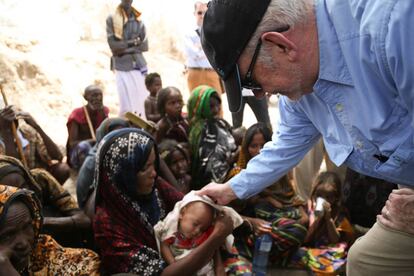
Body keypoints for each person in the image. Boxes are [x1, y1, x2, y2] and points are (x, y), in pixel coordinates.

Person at [198, 0, 414, 274]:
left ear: (281, 45)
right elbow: (285, 145)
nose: (262, 94)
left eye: (251, 82)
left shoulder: (393, 23)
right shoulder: (300, 88)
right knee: (367, 261)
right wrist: (229, 190)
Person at [93, 128, 241, 275]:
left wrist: (245, 221)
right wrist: (217, 237)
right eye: (145, 168)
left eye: (154, 164)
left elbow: (191, 209)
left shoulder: (152, 186)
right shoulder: (107, 225)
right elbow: (163, 274)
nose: (154, 173)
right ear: (123, 174)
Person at [227, 123, 308, 266]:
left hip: (274, 225)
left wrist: (301, 213)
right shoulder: (238, 175)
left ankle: (266, 250)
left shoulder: (277, 172)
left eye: (263, 146)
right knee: (292, 228)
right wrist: (252, 221)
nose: (259, 151)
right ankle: (258, 248)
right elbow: (225, 212)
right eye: (253, 146)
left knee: (297, 227)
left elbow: (291, 197)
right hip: (246, 229)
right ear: (246, 149)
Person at [0, 184, 100, 275]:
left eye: (27, 226)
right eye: (7, 235)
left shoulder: (43, 251)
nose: (24, 243)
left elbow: (86, 265)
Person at [0, 155, 91, 248]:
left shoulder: (41, 179)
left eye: (23, 186)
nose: (22, 195)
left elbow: (83, 220)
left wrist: (41, 222)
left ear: (27, 178)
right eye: (11, 193)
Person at [154, 191, 247, 276]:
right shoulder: (172, 232)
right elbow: (164, 246)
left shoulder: (203, 236)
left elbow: (212, 249)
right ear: (182, 213)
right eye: (195, 224)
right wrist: (173, 263)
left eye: (203, 229)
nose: (197, 231)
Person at [290, 172, 354, 275]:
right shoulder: (307, 208)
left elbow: (335, 239)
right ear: (313, 193)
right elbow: (306, 239)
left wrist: (328, 219)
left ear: (336, 198)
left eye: (329, 197)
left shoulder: (339, 212)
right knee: (298, 253)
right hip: (312, 248)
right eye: (319, 195)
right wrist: (318, 219)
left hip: (330, 248)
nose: (324, 199)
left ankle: (321, 265)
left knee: (339, 253)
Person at [0, 106, 70, 184]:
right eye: (4, 118)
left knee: (62, 169)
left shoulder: (26, 132)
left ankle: (48, 195)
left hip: (36, 178)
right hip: (17, 185)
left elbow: (57, 156)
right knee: (14, 179)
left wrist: (37, 127)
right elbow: (14, 170)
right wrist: (6, 132)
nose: (10, 120)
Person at [187, 85, 237, 190]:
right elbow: (212, 170)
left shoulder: (217, 122)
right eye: (211, 106)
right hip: (215, 185)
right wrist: (235, 155)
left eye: (218, 105)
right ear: (200, 107)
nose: (216, 109)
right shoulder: (204, 130)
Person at [76, 117, 130, 210]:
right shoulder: (96, 160)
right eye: (114, 136)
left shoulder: (105, 152)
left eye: (122, 135)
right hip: (89, 207)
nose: (119, 140)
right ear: (104, 136)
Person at [106, 0, 149, 117]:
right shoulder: (112, 19)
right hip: (121, 67)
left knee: (142, 105)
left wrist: (124, 48)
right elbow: (114, 47)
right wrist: (133, 43)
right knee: (126, 108)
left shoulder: (139, 19)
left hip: (139, 66)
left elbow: (144, 46)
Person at [183, 1, 223, 94]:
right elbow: (193, 54)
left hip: (212, 73)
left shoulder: (215, 32)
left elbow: (217, 52)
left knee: (216, 105)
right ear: (194, 14)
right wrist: (208, 49)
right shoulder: (188, 33)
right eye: (199, 12)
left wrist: (200, 47)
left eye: (205, 12)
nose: (202, 15)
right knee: (195, 105)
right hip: (195, 73)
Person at [66, 84, 109, 170]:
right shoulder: (77, 114)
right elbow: (72, 144)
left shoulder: (103, 111)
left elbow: (107, 134)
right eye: (94, 95)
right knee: (84, 146)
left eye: (100, 95)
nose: (98, 98)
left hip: (97, 151)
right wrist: (92, 141)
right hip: (79, 154)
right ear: (86, 97)